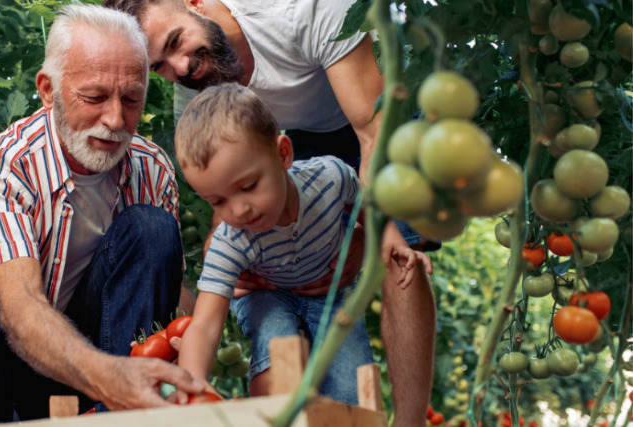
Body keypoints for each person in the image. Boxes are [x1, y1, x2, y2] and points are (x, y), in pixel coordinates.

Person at [102, 0, 438, 424]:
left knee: (398, 256)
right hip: (287, 139)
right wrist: (226, 267)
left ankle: (410, 421)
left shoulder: (302, 11)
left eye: (176, 42)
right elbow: (222, 195)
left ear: (195, 3)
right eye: (161, 67)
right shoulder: (196, 94)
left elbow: (373, 135)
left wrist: (365, 238)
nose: (181, 68)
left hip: (374, 114)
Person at [0, 5, 205, 424]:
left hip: (103, 359)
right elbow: (21, 307)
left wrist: (194, 332)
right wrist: (110, 376)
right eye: (94, 97)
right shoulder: (0, 166)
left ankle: (119, 416)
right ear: (47, 89)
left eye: (132, 99)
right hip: (6, 360)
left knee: (152, 228)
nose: (115, 120)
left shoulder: (152, 167)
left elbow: (163, 291)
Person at [172, 83, 426, 403]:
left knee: (351, 390)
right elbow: (205, 326)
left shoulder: (330, 177)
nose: (238, 210)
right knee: (278, 352)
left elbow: (366, 207)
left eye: (248, 186)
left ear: (283, 154)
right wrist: (192, 385)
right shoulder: (231, 241)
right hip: (266, 295)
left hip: (327, 294)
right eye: (217, 201)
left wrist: (392, 239)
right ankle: (271, 414)